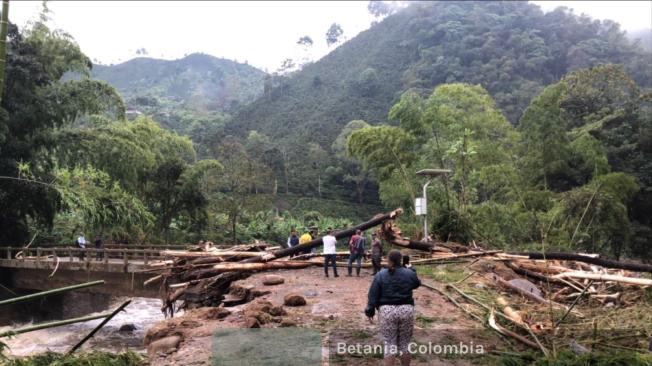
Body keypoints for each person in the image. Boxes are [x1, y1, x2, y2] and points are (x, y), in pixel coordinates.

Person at [365, 250, 421, 366]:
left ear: (388, 260)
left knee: (390, 344)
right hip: (406, 309)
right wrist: (411, 269)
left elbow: (373, 294)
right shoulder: (409, 273)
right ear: (400, 260)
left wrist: (370, 311)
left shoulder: (380, 274)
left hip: (387, 311)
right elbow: (416, 283)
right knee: (405, 344)